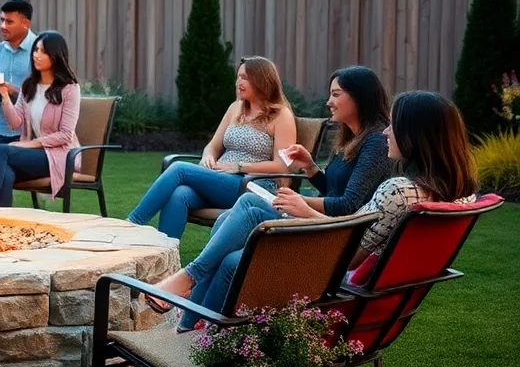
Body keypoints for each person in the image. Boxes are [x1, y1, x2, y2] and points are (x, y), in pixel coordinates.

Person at [164, 90, 478, 331]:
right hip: (369, 293)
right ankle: (193, 324)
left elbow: (350, 249)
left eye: (394, 125)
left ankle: (190, 299)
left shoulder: (399, 191)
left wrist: (303, 211)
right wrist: (311, 177)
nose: (386, 132)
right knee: (236, 236)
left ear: (417, 135)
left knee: (244, 214)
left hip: (338, 285)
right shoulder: (458, 195)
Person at [144, 66, 394, 319]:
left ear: (359, 97)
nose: (329, 102)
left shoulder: (373, 143)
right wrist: (310, 168)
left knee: (246, 202)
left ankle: (187, 281)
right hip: (326, 225)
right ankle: (189, 321)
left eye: (336, 94)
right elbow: (335, 190)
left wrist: (300, 202)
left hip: (332, 233)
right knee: (225, 232)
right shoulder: (351, 138)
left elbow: (348, 205)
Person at [127, 56, 298, 239]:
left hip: (251, 185)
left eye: (245, 78)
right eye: (238, 76)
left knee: (178, 169)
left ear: (262, 80)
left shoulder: (281, 115)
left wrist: (240, 167)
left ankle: (132, 224)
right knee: (179, 194)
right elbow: (213, 146)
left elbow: (281, 166)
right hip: (221, 179)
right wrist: (207, 156)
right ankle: (166, 258)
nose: (238, 82)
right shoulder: (235, 108)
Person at [0, 31, 82, 207]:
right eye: (35, 50)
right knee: (6, 172)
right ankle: (2, 223)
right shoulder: (29, 85)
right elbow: (16, 123)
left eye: (43, 51)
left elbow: (66, 135)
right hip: (36, 154)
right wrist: (4, 95)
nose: (36, 55)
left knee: (0, 151)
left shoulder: (70, 89)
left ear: (55, 56)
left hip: (61, 155)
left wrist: (29, 144)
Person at [0, 0, 37, 145]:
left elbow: (43, 97)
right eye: (2, 20)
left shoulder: (39, 50)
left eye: (9, 22)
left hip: (32, 132)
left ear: (25, 24)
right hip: (2, 129)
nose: (3, 26)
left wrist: (11, 90)